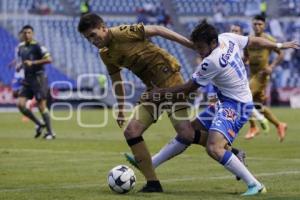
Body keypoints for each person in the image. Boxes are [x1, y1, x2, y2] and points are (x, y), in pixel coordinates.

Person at [77, 13, 245, 192]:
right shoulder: (106, 54)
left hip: (171, 80)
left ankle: (231, 153)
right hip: (153, 90)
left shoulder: (123, 32)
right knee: (132, 131)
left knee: (186, 134)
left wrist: (190, 44)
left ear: (103, 27)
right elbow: (116, 81)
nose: (92, 41)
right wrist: (120, 109)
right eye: (88, 38)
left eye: (93, 35)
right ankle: (153, 183)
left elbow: (157, 30)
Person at [143, 20, 299, 195]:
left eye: (201, 47)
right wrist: (278, 44)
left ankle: (255, 184)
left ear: (212, 43)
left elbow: (188, 88)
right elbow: (253, 41)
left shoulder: (212, 61)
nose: (199, 51)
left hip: (236, 106)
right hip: (227, 101)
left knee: (214, 148)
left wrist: (160, 93)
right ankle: (150, 163)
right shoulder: (228, 38)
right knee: (187, 132)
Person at [244, 15, 287, 141]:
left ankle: (253, 127)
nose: (257, 26)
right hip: (252, 75)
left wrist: (272, 66)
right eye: (255, 24)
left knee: (243, 97)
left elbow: (281, 53)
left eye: (260, 24)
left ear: (264, 26)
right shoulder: (249, 39)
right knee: (258, 106)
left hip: (261, 75)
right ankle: (280, 125)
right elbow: (246, 54)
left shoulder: (268, 39)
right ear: (252, 25)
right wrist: (245, 60)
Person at [230, 23, 270, 133]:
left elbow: (246, 59)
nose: (234, 33)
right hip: (231, 79)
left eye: (236, 31)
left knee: (240, 101)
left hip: (240, 79)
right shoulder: (229, 46)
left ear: (241, 33)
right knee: (242, 102)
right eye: (232, 31)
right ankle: (259, 121)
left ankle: (255, 124)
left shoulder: (243, 46)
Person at [17, 25, 55, 139]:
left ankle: (50, 133)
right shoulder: (21, 47)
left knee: (41, 105)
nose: (27, 35)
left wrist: (33, 63)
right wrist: (19, 65)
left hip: (39, 78)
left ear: (32, 34)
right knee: (20, 105)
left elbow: (49, 59)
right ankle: (39, 124)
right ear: (22, 34)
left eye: (29, 33)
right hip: (27, 79)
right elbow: (23, 59)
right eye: (25, 33)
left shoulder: (38, 45)